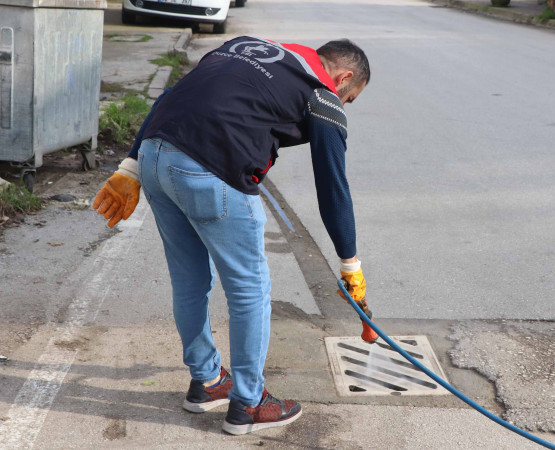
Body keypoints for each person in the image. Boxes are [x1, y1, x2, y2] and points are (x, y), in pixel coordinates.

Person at [92, 36, 369, 435]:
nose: (344, 104)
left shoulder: (239, 47)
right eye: (351, 97)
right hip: (210, 170)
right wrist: (350, 264)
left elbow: (171, 95)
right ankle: (249, 404)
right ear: (342, 77)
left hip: (155, 157)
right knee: (249, 290)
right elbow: (333, 188)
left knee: (189, 281)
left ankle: (206, 381)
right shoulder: (323, 95)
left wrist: (131, 167)